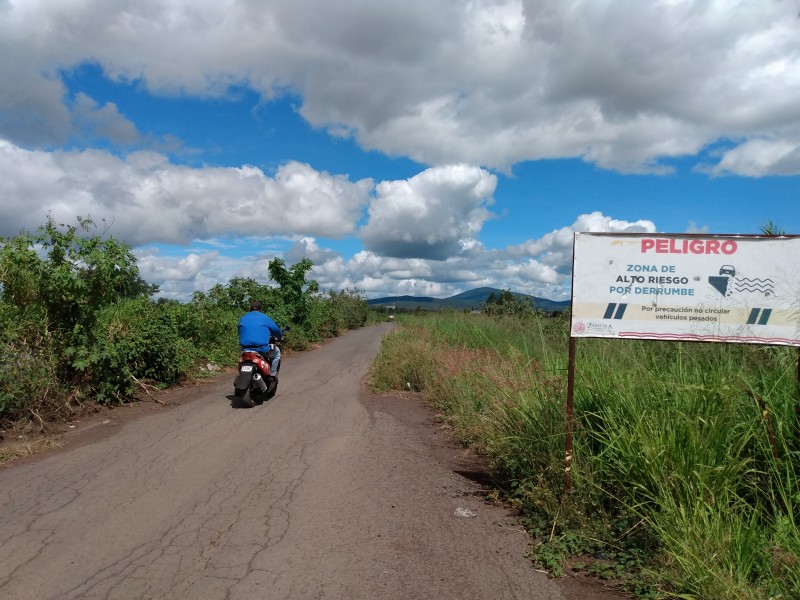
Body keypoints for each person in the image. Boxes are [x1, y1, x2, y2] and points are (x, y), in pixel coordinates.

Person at [238, 301, 282, 379]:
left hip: (245, 351)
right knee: (277, 353)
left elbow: (240, 331)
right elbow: (277, 331)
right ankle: (272, 375)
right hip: (262, 349)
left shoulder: (243, 318)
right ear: (261, 309)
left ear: (249, 309)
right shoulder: (265, 318)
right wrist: (279, 337)